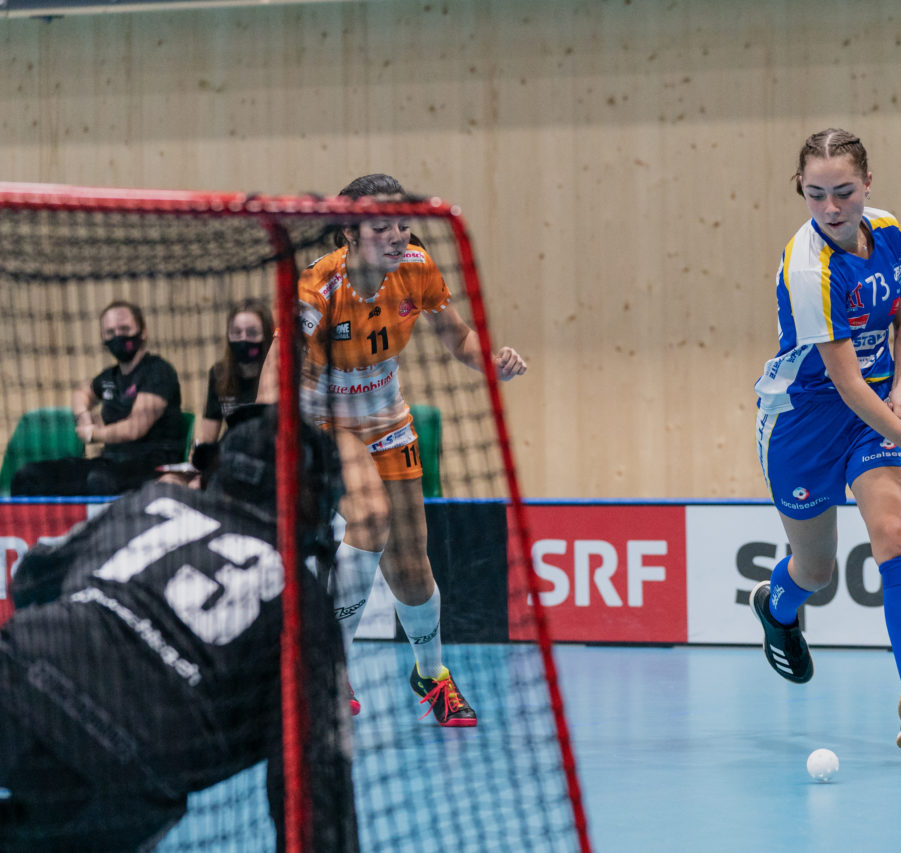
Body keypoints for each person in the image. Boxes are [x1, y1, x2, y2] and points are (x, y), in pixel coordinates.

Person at [0, 404, 357, 851]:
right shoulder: (304, 602)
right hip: (129, 763)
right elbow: (313, 780)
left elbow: (33, 577)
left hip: (15, 671)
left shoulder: (155, 500)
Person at [258, 173, 527, 726]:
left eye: (403, 224)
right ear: (349, 232)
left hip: (388, 425)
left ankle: (431, 675)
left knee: (410, 567)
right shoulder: (318, 287)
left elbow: (456, 337)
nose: (397, 235)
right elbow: (278, 362)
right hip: (324, 425)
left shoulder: (417, 268)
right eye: (381, 226)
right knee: (370, 516)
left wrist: (492, 362)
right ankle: (329, 674)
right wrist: (264, 426)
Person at [750, 129, 901, 754]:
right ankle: (778, 607)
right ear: (803, 191)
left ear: (867, 184)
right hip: (804, 421)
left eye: (844, 192)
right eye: (816, 195)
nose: (831, 207)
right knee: (815, 569)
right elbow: (844, 385)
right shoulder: (807, 266)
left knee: (895, 534)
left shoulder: (887, 230)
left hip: (875, 409)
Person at [10, 300, 187, 497]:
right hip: (111, 461)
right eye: (110, 332)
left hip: (151, 463)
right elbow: (81, 393)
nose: (117, 336)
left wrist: (93, 434)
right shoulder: (110, 378)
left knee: (99, 480)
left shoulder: (158, 371)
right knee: (29, 476)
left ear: (142, 332)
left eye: (124, 329)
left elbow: (135, 428)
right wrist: (83, 416)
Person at [193, 298, 274, 453]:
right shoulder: (219, 374)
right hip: (231, 454)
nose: (243, 339)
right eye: (236, 333)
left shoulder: (278, 374)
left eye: (252, 333)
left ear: (266, 336)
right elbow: (208, 437)